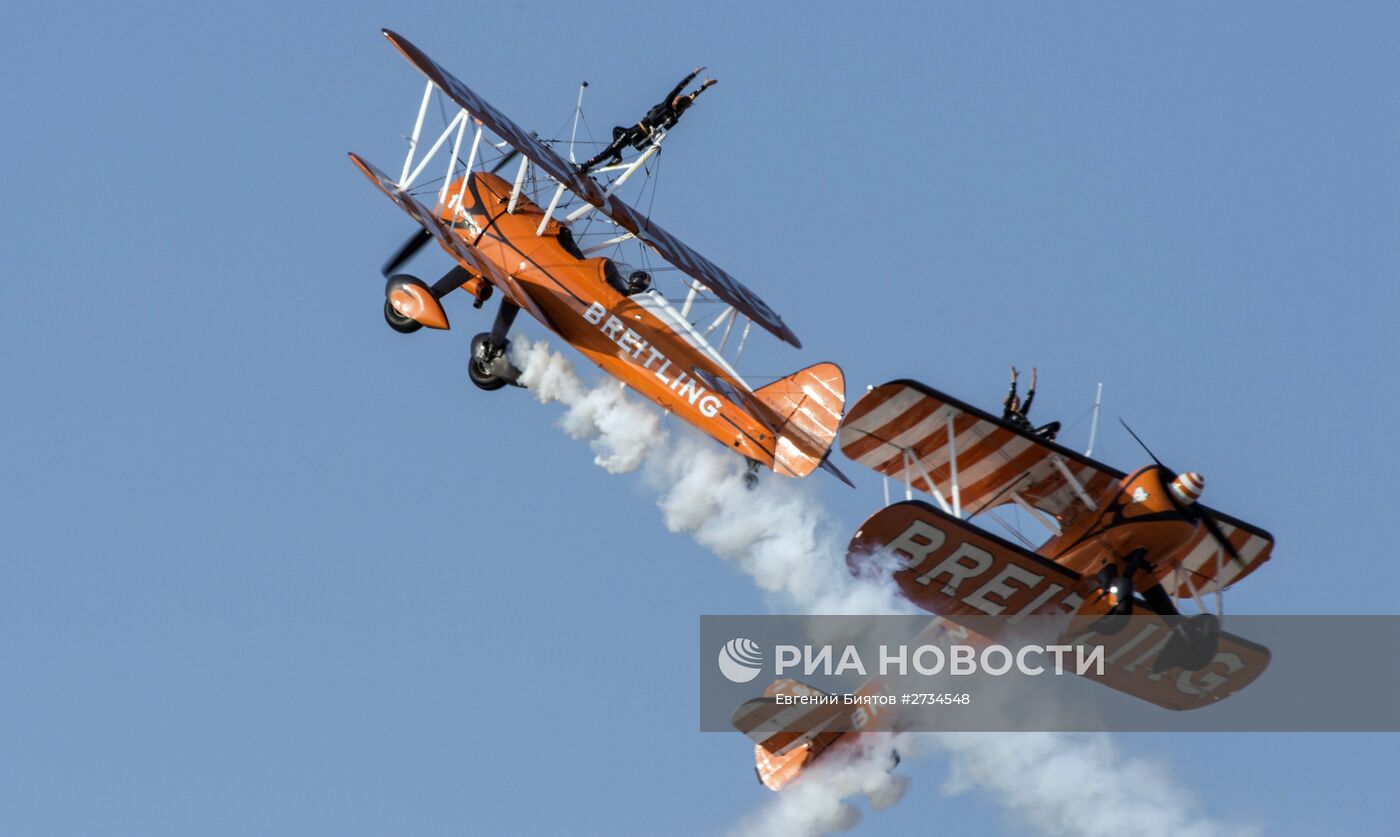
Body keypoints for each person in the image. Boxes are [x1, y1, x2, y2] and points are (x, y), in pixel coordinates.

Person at [579, 68, 718, 172]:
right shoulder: (677, 112)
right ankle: (617, 157)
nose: (676, 96)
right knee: (616, 131)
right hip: (642, 136)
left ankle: (587, 165)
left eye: (677, 97)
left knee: (611, 148)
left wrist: (693, 75)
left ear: (676, 101)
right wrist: (703, 87)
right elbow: (689, 98)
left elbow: (678, 88)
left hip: (638, 132)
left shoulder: (668, 104)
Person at [1003, 366, 1061, 441]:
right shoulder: (1007, 413)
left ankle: (1048, 442)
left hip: (1032, 434)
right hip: (1022, 437)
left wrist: (1034, 379)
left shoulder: (1021, 413)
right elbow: (1012, 394)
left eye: (1017, 400)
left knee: (1056, 425)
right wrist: (1014, 379)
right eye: (1014, 400)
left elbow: (1029, 398)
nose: (1016, 401)